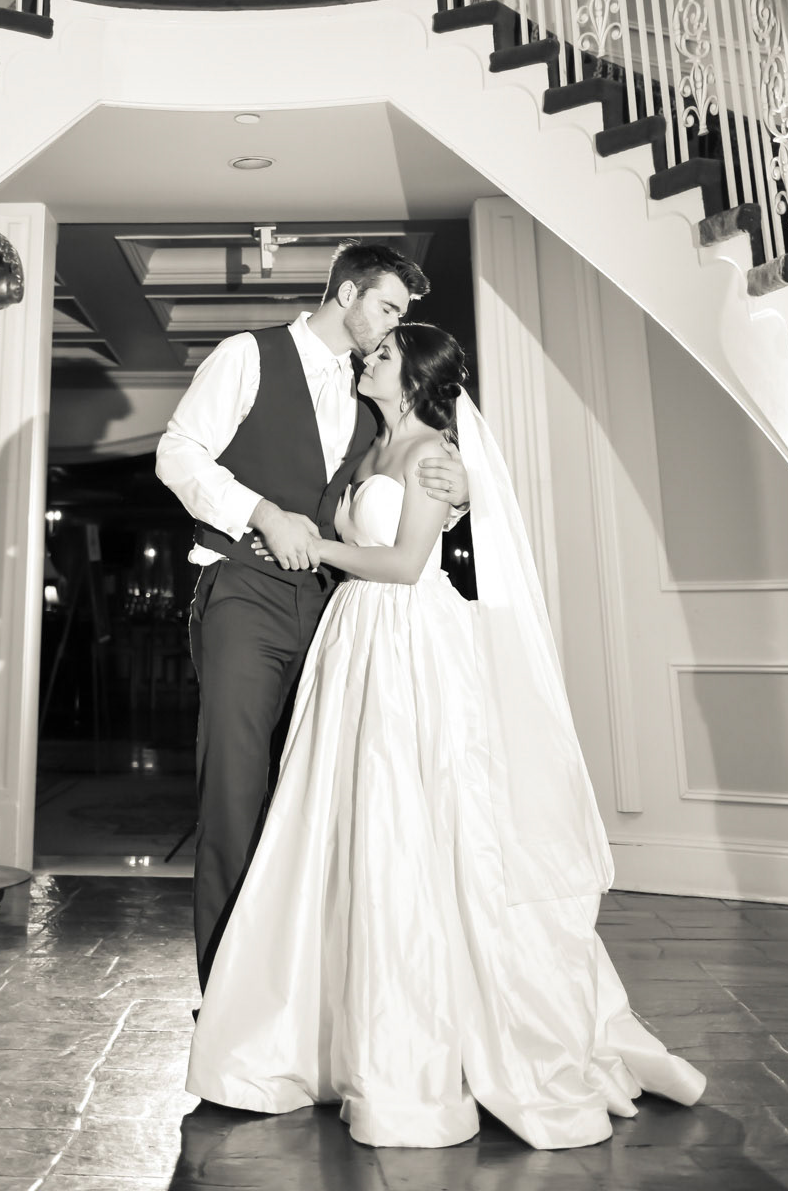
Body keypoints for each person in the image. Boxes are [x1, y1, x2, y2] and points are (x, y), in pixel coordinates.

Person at [186, 322, 706, 1151]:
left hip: (404, 638)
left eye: (384, 354)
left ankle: (423, 1035)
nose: (369, 358)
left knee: (409, 814)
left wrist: (312, 540)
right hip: (352, 640)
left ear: (417, 375)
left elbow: (400, 563)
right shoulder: (369, 451)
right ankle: (323, 1025)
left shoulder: (431, 456)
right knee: (342, 819)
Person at [155, 243, 469, 988]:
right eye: (388, 307)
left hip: (341, 614)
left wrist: (456, 493)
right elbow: (178, 453)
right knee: (233, 788)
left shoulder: (375, 391)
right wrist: (261, 510)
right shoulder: (248, 355)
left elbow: (393, 506)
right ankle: (229, 991)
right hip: (244, 594)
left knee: (323, 794)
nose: (393, 326)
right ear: (349, 292)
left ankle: (311, 990)